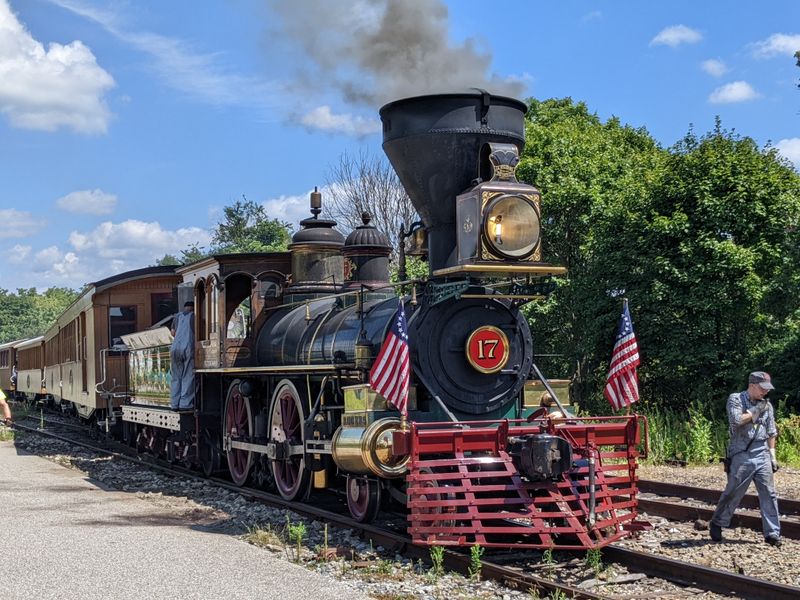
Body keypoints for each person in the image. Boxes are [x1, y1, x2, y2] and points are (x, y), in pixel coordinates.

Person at [710, 371, 781, 547]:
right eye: (762, 389)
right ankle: (718, 522)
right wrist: (756, 409)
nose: (765, 393)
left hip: (762, 451)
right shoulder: (736, 399)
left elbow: (771, 431)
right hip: (741, 452)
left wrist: (772, 456)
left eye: (767, 389)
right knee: (734, 491)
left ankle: (772, 533)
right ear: (752, 385)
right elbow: (736, 421)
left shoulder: (767, 405)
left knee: (769, 494)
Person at [169, 301, 195, 411]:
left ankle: (174, 404)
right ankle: (185, 404)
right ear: (193, 308)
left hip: (174, 349)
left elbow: (173, 333)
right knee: (187, 376)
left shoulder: (177, 316)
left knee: (176, 378)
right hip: (188, 347)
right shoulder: (194, 316)